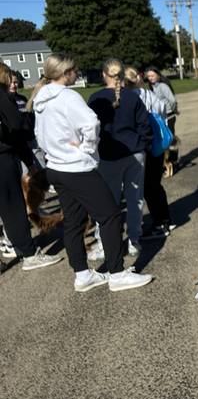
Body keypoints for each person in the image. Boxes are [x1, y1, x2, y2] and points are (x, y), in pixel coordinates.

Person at [31, 54, 152, 292]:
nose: (78, 73)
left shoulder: (40, 98)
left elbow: (38, 132)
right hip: (76, 168)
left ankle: (83, 275)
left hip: (55, 167)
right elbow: (91, 122)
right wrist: (86, 149)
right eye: (75, 70)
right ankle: (117, 274)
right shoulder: (67, 96)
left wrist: (55, 151)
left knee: (74, 222)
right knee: (110, 216)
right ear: (66, 73)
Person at [0, 62, 63, 269]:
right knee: (13, 207)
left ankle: (15, 245)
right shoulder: (3, 97)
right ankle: (28, 253)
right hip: (3, 158)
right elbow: (17, 128)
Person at [87, 59, 152, 257]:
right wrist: (142, 144)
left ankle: (103, 242)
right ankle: (134, 240)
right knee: (135, 200)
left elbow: (89, 129)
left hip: (108, 156)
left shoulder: (96, 99)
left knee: (107, 203)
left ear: (104, 74)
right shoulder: (133, 98)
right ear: (122, 75)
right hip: (134, 153)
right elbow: (145, 126)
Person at [125, 66, 174, 239]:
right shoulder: (149, 94)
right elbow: (164, 110)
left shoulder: (132, 98)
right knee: (156, 184)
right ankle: (165, 218)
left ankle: (159, 224)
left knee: (148, 187)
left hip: (144, 145)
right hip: (157, 144)